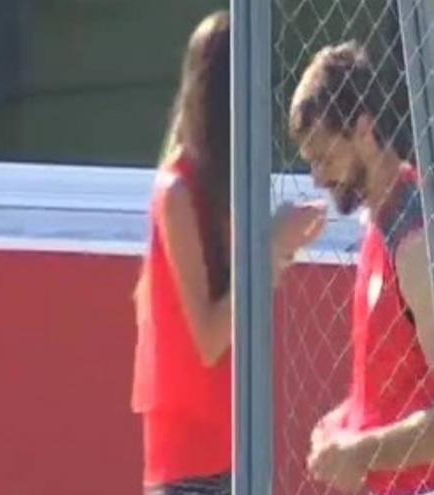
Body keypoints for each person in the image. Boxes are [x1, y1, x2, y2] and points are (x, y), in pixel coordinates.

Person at [131, 11, 326, 494]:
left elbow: (242, 299)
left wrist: (278, 251)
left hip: (234, 441)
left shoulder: (225, 187)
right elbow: (211, 334)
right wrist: (270, 247)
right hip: (189, 461)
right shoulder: (177, 192)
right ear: (224, 99)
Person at [288, 41, 434, 494]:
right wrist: (346, 422)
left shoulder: (415, 243)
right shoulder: (379, 222)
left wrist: (357, 453)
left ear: (364, 130)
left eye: (324, 156)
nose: (319, 178)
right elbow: (397, 390)